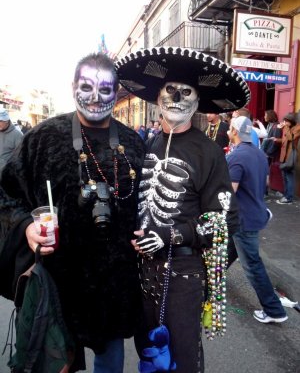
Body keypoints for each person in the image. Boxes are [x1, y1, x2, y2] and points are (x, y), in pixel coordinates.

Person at [0, 53, 145, 372]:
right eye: (86, 86)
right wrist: (26, 227)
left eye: (105, 89)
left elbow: (146, 207)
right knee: (56, 361)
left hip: (112, 285)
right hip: (58, 281)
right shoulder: (43, 138)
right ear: (72, 87)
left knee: (110, 359)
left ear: (117, 91)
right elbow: (5, 193)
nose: (95, 97)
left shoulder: (133, 144)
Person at [116, 46, 251, 372]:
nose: (176, 98)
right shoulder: (147, 144)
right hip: (143, 272)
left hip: (183, 276)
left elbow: (226, 219)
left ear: (197, 101)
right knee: (149, 353)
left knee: (183, 358)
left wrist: (171, 234)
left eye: (186, 92)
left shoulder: (209, 152)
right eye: (170, 91)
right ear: (158, 98)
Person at [226, 116, 288, 324]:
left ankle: (274, 310)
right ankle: (208, 281)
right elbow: (266, 183)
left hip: (243, 219)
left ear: (235, 131)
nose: (228, 131)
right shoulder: (259, 153)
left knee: (252, 265)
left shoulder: (236, 156)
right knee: (229, 251)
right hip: (254, 214)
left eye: (230, 127)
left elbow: (230, 192)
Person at [275, 113, 300, 204]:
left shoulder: (297, 128)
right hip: (283, 156)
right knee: (284, 177)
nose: (284, 122)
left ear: (291, 121)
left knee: (289, 177)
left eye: (286, 121)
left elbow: (291, 138)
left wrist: (285, 128)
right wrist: (277, 139)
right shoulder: (286, 127)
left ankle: (289, 197)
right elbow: (284, 139)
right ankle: (286, 194)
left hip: (290, 156)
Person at [0, 107, 23, 177]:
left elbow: (20, 157)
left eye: (0, 121)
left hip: (7, 175)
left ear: (6, 120)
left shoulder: (17, 135)